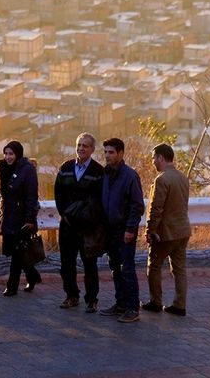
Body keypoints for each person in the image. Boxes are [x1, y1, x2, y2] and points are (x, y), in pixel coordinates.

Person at [54, 132, 105, 312]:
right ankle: (71, 295)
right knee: (66, 263)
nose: (81, 148)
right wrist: (66, 215)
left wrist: (87, 218)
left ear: (92, 149)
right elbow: (58, 194)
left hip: (87, 228)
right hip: (67, 225)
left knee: (89, 264)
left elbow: (99, 200)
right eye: (79, 145)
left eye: (85, 146)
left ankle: (91, 299)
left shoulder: (99, 172)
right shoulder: (65, 168)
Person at [142, 143, 192, 317]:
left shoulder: (162, 179)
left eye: (154, 158)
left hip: (165, 233)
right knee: (179, 269)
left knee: (154, 265)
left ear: (161, 158)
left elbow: (156, 208)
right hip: (183, 230)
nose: (153, 162)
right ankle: (180, 304)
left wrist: (150, 230)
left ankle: (156, 301)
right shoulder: (183, 177)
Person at [99, 138, 145, 323]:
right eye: (106, 152)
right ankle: (120, 303)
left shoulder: (129, 176)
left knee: (127, 268)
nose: (108, 156)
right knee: (114, 267)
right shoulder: (106, 174)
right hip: (109, 230)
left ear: (120, 153)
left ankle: (132, 308)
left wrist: (130, 229)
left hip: (124, 230)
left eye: (111, 152)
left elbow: (137, 206)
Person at [0, 141, 41, 296]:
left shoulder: (27, 170)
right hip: (7, 216)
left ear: (18, 154)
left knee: (17, 252)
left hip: (21, 218)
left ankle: (12, 286)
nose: (7, 157)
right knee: (16, 252)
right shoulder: (3, 170)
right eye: (5, 153)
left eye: (11, 154)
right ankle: (33, 276)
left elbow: (31, 197)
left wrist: (30, 220)